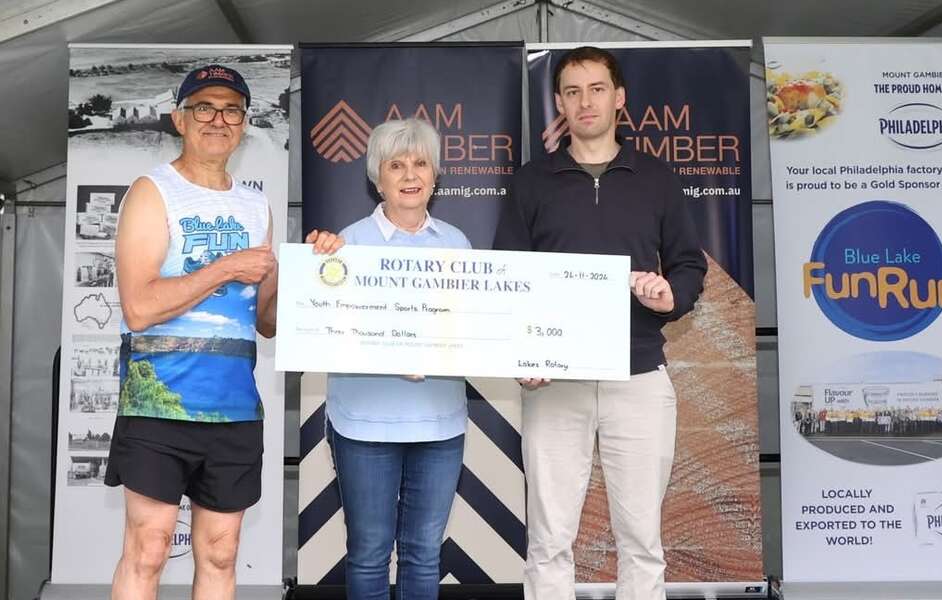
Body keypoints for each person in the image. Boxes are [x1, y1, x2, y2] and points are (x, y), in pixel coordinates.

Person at [106, 64, 341, 600]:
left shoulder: (256, 204)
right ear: (179, 119)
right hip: (157, 404)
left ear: (244, 123)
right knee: (148, 547)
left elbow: (266, 319)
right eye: (204, 107)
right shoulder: (151, 191)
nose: (218, 119)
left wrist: (319, 278)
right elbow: (139, 308)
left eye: (231, 109)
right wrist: (226, 267)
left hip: (234, 409)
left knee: (220, 553)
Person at [494, 47, 707, 600]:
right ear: (559, 102)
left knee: (640, 541)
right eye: (571, 91)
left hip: (637, 376)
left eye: (595, 89)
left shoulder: (656, 179)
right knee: (547, 540)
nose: (584, 101)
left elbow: (687, 263)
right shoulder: (531, 182)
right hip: (554, 381)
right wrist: (524, 354)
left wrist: (669, 297)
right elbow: (508, 277)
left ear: (619, 98)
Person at [310, 118, 470, 600]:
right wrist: (317, 266)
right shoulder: (345, 243)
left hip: (440, 425)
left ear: (435, 174)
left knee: (424, 555)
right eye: (395, 165)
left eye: (420, 163)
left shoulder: (457, 244)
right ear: (376, 179)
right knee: (369, 553)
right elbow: (327, 329)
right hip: (364, 424)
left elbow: (470, 329)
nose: (409, 174)